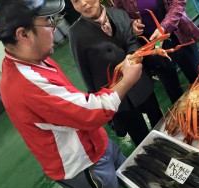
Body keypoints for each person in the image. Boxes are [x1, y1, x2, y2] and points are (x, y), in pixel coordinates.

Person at [0, 0, 144, 188]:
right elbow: (91, 111)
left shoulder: (33, 60)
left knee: (133, 177)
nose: (54, 28)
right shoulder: (26, 86)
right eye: (48, 22)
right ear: (23, 34)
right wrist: (127, 81)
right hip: (84, 165)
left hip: (96, 143)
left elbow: (75, 103)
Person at [68, 0, 163, 146]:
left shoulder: (120, 15)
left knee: (159, 120)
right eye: (76, 1)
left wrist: (132, 56)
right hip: (116, 95)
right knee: (140, 137)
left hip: (140, 82)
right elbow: (84, 71)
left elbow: (133, 41)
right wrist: (99, 101)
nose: (84, 4)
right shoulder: (76, 34)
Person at [114, 0, 199, 104]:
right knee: (174, 93)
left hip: (179, 34)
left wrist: (164, 27)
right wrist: (131, 23)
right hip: (152, 46)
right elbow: (119, 13)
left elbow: (178, 3)